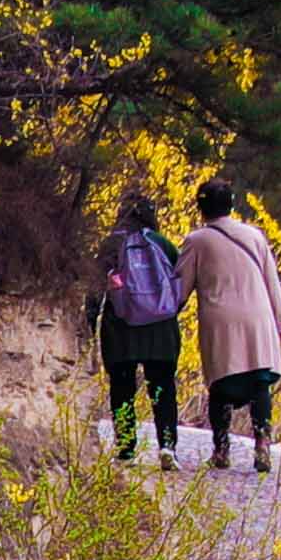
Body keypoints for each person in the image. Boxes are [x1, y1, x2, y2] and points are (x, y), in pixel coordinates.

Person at [178, 180, 281, 475]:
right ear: (231, 204)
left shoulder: (197, 241)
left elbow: (180, 288)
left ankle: (221, 449)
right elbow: (272, 282)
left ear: (201, 207)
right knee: (259, 382)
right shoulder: (254, 235)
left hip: (221, 321)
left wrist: (163, 314)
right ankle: (262, 442)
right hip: (258, 316)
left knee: (220, 384)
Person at [86, 192, 188, 466]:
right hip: (161, 329)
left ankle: (126, 449)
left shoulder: (111, 244)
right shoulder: (161, 243)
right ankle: (167, 446)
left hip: (121, 327)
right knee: (163, 387)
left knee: (122, 388)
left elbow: (94, 288)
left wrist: (89, 323)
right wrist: (168, 310)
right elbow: (181, 284)